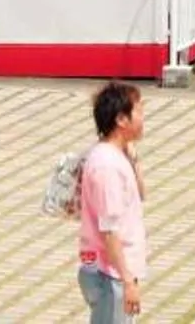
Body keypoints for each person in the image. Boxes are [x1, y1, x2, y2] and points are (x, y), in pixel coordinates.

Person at [74, 81, 149, 322]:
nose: (143, 117)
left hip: (115, 273)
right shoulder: (107, 166)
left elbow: (141, 195)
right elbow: (109, 230)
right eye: (138, 111)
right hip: (110, 275)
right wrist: (127, 281)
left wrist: (133, 157)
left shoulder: (118, 157)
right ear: (121, 120)